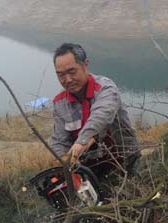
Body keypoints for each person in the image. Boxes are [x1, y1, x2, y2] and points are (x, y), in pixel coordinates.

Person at [50, 43, 139, 178]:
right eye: (61, 75)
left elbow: (100, 117)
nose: (67, 80)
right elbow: (60, 141)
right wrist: (63, 164)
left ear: (86, 65)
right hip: (88, 172)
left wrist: (79, 146)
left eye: (72, 72)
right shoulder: (60, 102)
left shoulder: (105, 89)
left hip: (125, 163)